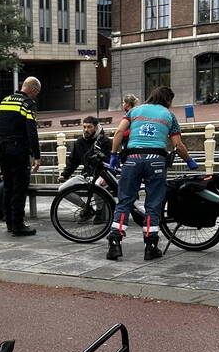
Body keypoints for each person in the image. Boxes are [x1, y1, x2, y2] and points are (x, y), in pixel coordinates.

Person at [105, 86, 198, 261]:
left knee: (124, 201)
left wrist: (113, 155)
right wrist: (189, 161)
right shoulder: (169, 116)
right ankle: (150, 246)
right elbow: (178, 145)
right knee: (153, 204)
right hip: (156, 160)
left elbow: (118, 132)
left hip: (132, 160)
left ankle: (115, 244)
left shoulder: (134, 111)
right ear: (168, 100)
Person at [0, 76, 42, 236]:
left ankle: (9, 223)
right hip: (18, 150)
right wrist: (37, 155)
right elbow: (31, 131)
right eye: (37, 92)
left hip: (3, 150)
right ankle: (18, 225)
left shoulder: (4, 101)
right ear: (33, 89)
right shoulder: (27, 104)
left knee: (8, 187)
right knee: (19, 188)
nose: (36, 96)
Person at [57, 116, 112, 184]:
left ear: (96, 128)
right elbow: (73, 161)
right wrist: (65, 175)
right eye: (84, 127)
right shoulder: (79, 142)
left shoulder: (105, 141)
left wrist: (106, 178)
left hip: (102, 176)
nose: (86, 130)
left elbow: (111, 162)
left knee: (97, 186)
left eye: (89, 127)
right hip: (86, 175)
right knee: (64, 188)